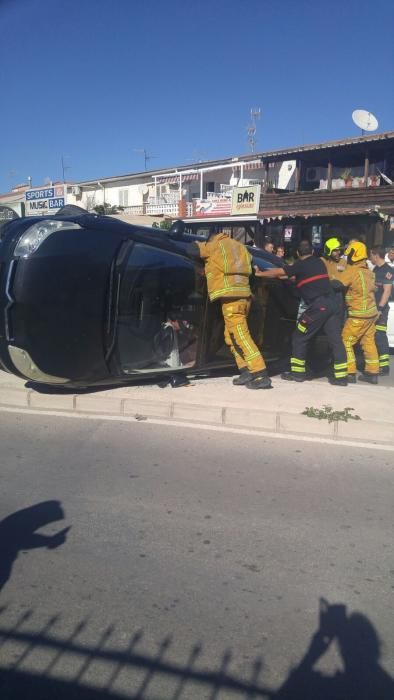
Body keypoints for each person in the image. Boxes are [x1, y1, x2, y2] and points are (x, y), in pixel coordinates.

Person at [254, 240, 348, 386]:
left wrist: (260, 274)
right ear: (312, 252)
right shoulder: (319, 263)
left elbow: (282, 271)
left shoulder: (300, 265)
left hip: (318, 307)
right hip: (332, 306)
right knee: (335, 340)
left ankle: (298, 373)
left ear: (298, 254)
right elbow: (291, 276)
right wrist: (278, 276)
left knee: (299, 336)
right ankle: (341, 377)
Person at [192, 231, 271, 389]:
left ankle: (260, 372)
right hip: (244, 297)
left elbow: (192, 250)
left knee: (241, 336)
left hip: (231, 299)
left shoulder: (214, 246)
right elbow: (252, 264)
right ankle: (245, 369)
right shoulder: (240, 247)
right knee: (231, 335)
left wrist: (197, 245)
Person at [333, 241, 379, 384]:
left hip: (357, 315)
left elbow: (337, 285)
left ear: (354, 255)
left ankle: (349, 372)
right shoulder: (369, 273)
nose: (347, 258)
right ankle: (372, 373)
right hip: (371, 315)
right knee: (369, 342)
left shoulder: (352, 271)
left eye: (349, 255)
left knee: (345, 342)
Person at [370, 246, 393, 375]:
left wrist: (379, 309)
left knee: (380, 336)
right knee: (372, 336)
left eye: (371, 255)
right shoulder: (375, 269)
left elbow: (387, 291)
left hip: (381, 309)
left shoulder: (387, 271)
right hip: (373, 308)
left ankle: (384, 367)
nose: (370, 258)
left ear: (376, 255)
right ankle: (375, 362)